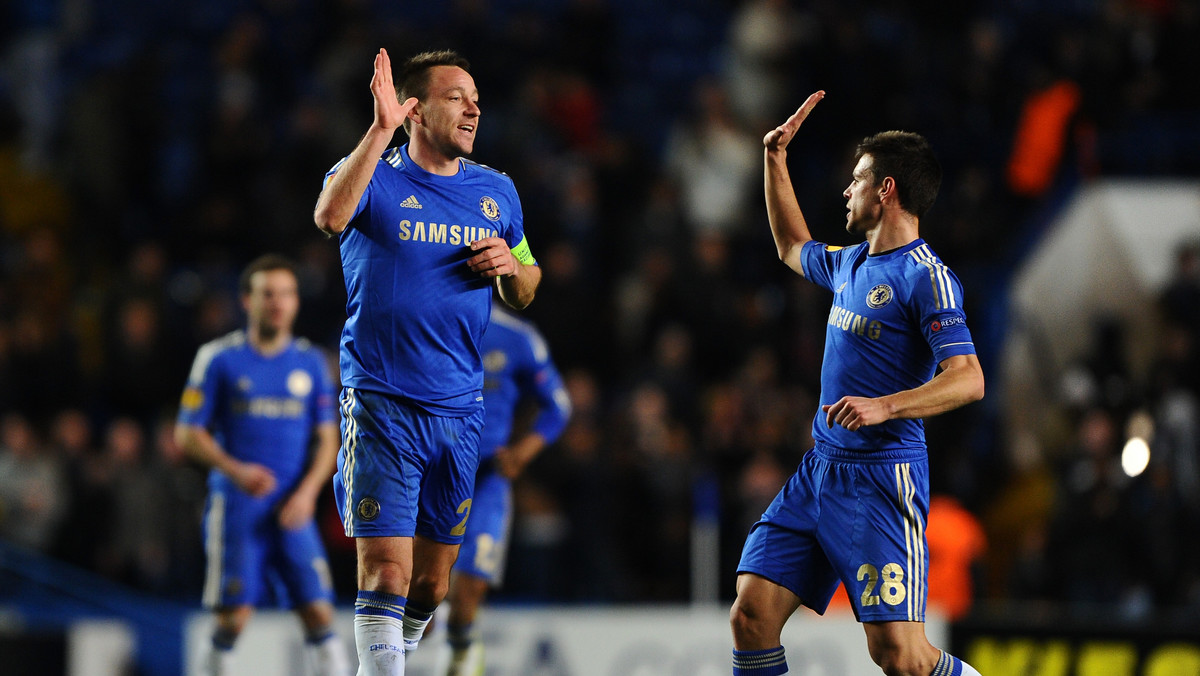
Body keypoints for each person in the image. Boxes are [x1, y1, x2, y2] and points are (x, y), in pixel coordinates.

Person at [729, 91, 986, 676]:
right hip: (821, 470)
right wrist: (775, 160)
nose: (847, 191)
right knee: (751, 616)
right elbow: (792, 246)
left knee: (900, 656)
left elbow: (968, 379)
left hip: (881, 480)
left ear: (887, 189)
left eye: (857, 179)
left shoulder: (928, 279)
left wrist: (886, 406)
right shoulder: (852, 263)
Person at [311, 48, 541, 675]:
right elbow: (329, 216)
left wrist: (510, 267)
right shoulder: (372, 175)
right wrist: (379, 129)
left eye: (476, 99)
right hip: (384, 402)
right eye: (455, 96)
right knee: (386, 569)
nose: (473, 107)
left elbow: (528, 281)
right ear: (413, 108)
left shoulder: (497, 192)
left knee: (431, 588)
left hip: (463, 413)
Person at [175, 254, 349, 676]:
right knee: (232, 619)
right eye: (267, 293)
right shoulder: (218, 359)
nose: (278, 303)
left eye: (286, 293)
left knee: (320, 614)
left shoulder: (311, 362)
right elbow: (186, 434)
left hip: (294, 509)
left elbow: (329, 440)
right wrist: (236, 471)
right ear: (245, 300)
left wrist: (308, 494)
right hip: (238, 507)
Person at [439, 300, 571, 675]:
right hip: (429, 479)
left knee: (465, 599)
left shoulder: (517, 337)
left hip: (487, 485)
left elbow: (557, 406)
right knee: (421, 600)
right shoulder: (426, 321)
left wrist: (522, 453)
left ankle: (463, 656)